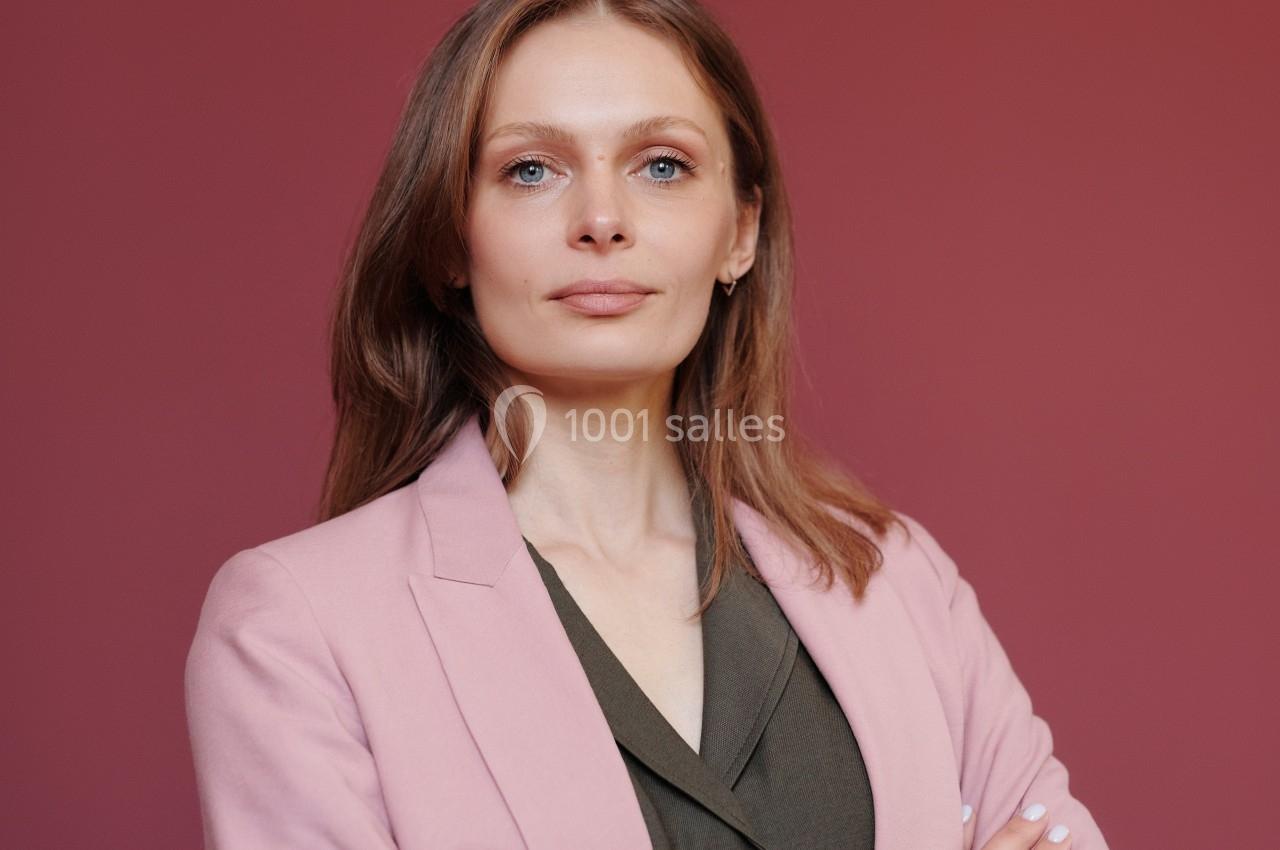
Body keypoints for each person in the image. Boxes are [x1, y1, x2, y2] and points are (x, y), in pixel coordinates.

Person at [184, 1, 1110, 848]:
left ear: (739, 232)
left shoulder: (896, 578)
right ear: (450, 240)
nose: (601, 219)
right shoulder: (297, 628)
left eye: (662, 165)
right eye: (531, 169)